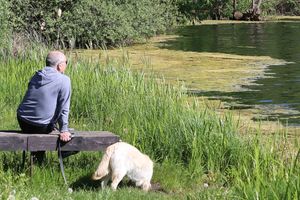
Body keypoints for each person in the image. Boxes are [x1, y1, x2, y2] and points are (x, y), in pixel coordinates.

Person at [17, 51, 72, 162]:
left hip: (22, 120)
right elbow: (64, 107)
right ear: (60, 65)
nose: (66, 65)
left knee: (46, 121)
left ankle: (38, 161)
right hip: (40, 126)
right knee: (54, 129)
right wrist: (64, 129)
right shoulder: (64, 80)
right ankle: (64, 151)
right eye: (66, 62)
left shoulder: (36, 75)